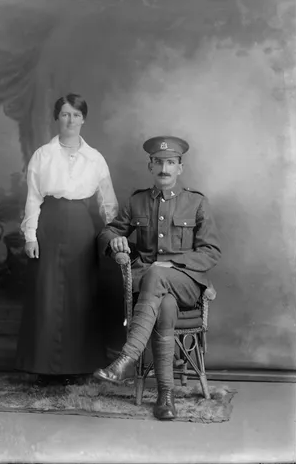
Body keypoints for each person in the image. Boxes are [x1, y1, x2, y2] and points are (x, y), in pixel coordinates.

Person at [94, 136, 221, 420]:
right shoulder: (137, 201)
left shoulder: (196, 202)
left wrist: (171, 264)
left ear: (180, 168)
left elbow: (211, 252)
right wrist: (114, 241)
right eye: (159, 162)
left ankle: (127, 358)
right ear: (150, 166)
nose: (165, 168)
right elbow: (108, 231)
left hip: (187, 283)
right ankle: (166, 397)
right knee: (164, 307)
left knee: (155, 273)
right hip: (156, 294)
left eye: (171, 163)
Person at [16, 93, 119, 388]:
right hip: (48, 225)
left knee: (79, 296)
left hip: (81, 230)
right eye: (64, 114)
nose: (70, 120)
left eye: (76, 114)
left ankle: (79, 364)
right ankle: (44, 367)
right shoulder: (42, 155)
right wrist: (30, 235)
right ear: (57, 118)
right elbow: (34, 198)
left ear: (84, 119)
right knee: (47, 295)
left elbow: (108, 203)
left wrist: (114, 236)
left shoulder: (95, 158)